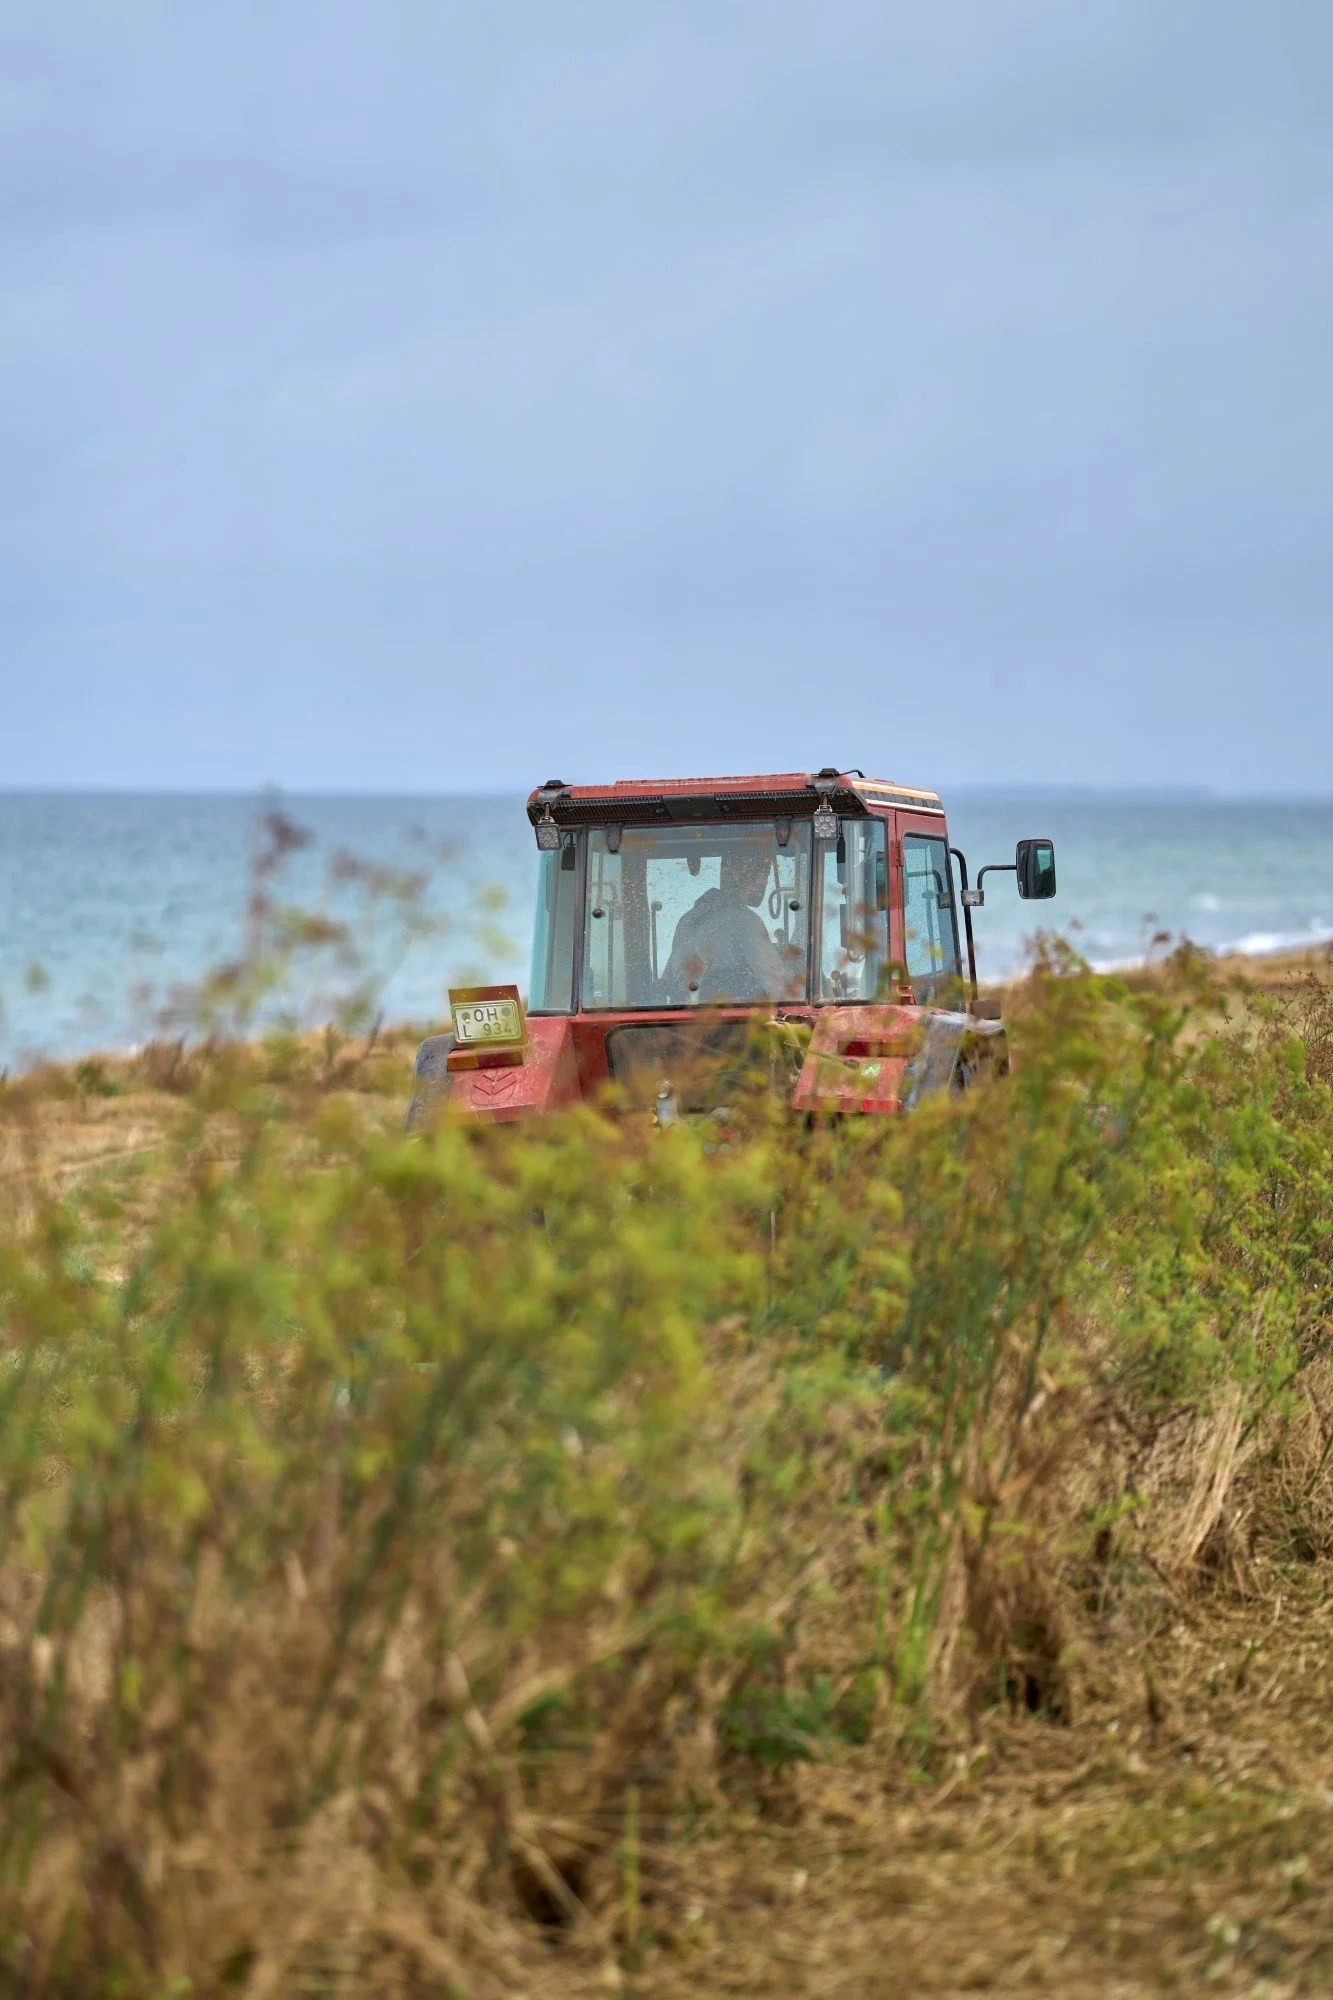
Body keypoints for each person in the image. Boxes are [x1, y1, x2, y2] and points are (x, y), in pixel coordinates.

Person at [659, 845, 790, 1002]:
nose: (765, 882)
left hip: (685, 1018)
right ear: (756, 877)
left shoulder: (687, 920)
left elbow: (669, 979)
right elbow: (774, 983)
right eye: (765, 875)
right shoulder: (745, 920)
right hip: (732, 1020)